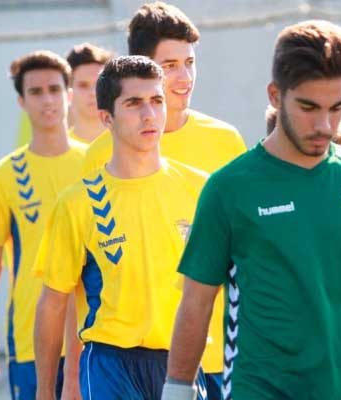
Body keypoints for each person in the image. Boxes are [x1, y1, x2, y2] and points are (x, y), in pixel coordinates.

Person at [163, 20, 341, 400]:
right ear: (275, 95)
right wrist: (176, 389)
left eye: (336, 108)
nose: (325, 125)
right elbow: (196, 300)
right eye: (309, 107)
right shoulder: (230, 188)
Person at [80, 4, 247, 396]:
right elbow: (84, 269)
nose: (185, 77)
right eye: (170, 65)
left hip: (214, 359)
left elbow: (244, 255)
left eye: (190, 62)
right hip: (125, 361)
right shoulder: (98, 155)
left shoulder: (225, 142)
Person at [33, 55, 207, 400]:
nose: (149, 115)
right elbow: (53, 303)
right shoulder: (78, 202)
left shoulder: (199, 190)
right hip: (111, 363)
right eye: (134, 103)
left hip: (181, 363)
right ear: (106, 118)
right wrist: (45, 390)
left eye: (157, 101)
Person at [0, 50, 88, 399]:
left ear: (69, 95)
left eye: (54, 89)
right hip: (29, 337)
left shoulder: (97, 163)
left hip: (94, 335)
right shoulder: (4, 175)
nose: (47, 99)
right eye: (35, 92)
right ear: (22, 101)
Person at [66, 43, 114, 144]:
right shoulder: (58, 149)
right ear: (68, 92)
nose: (93, 92)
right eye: (83, 85)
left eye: (99, 83)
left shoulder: (130, 143)